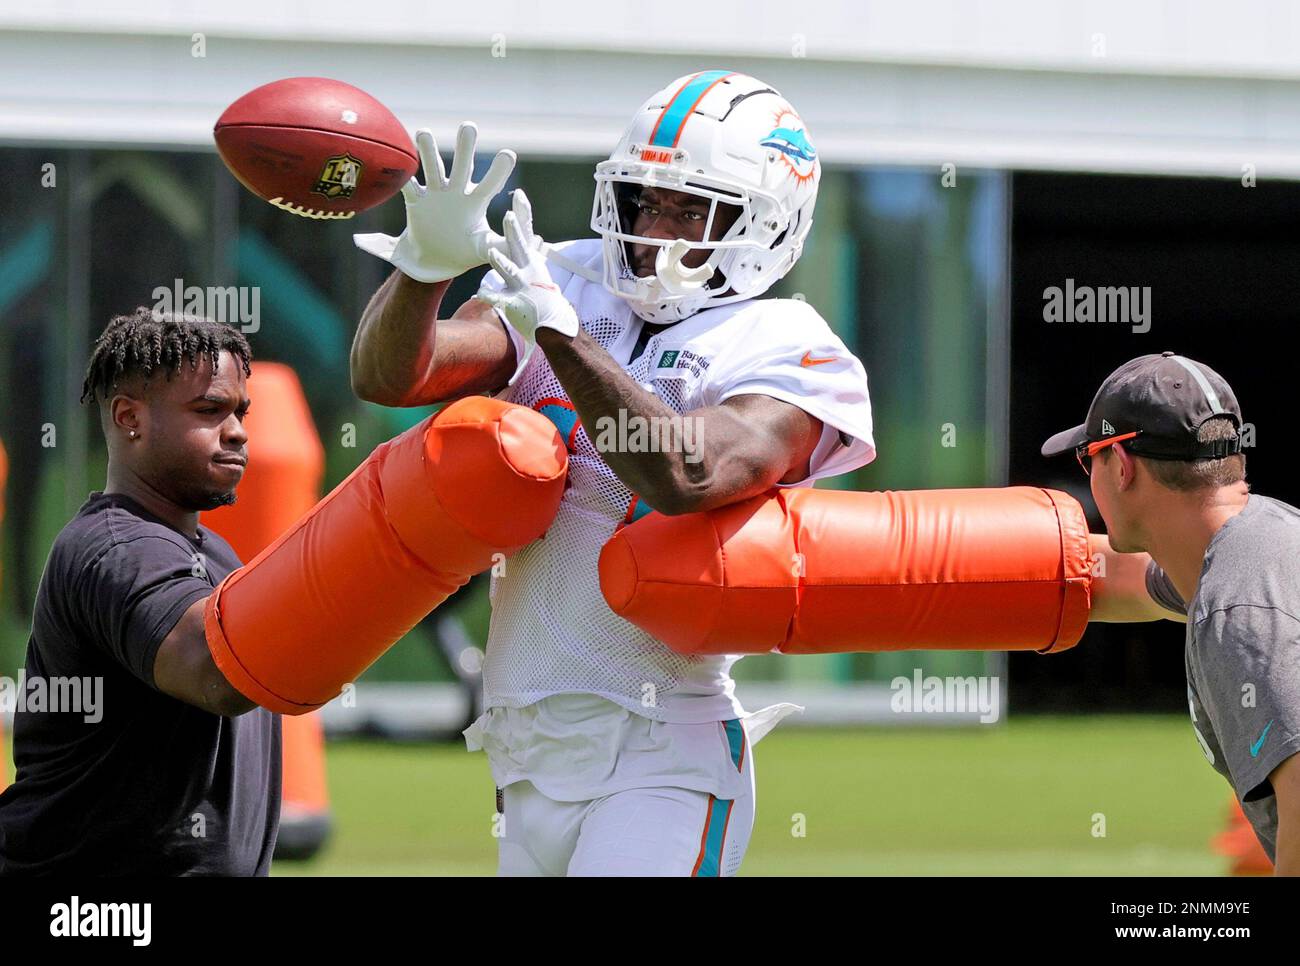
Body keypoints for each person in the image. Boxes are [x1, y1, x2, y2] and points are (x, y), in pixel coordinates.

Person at [351, 70, 875, 875]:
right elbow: (394, 376)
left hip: (662, 751)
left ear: (765, 223)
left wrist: (562, 338)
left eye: (689, 207)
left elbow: (685, 473)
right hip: (524, 752)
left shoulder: (790, 347)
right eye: (644, 202)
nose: (655, 230)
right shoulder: (565, 275)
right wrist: (422, 271)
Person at [0, 308, 280, 876]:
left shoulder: (215, 554)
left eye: (240, 411)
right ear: (129, 417)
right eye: (209, 410)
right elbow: (218, 674)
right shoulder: (115, 549)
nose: (238, 431)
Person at [1042, 351, 1300, 875]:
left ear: (1122, 466)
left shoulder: (1239, 605)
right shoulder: (1253, 544)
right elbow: (1111, 577)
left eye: (1088, 457)